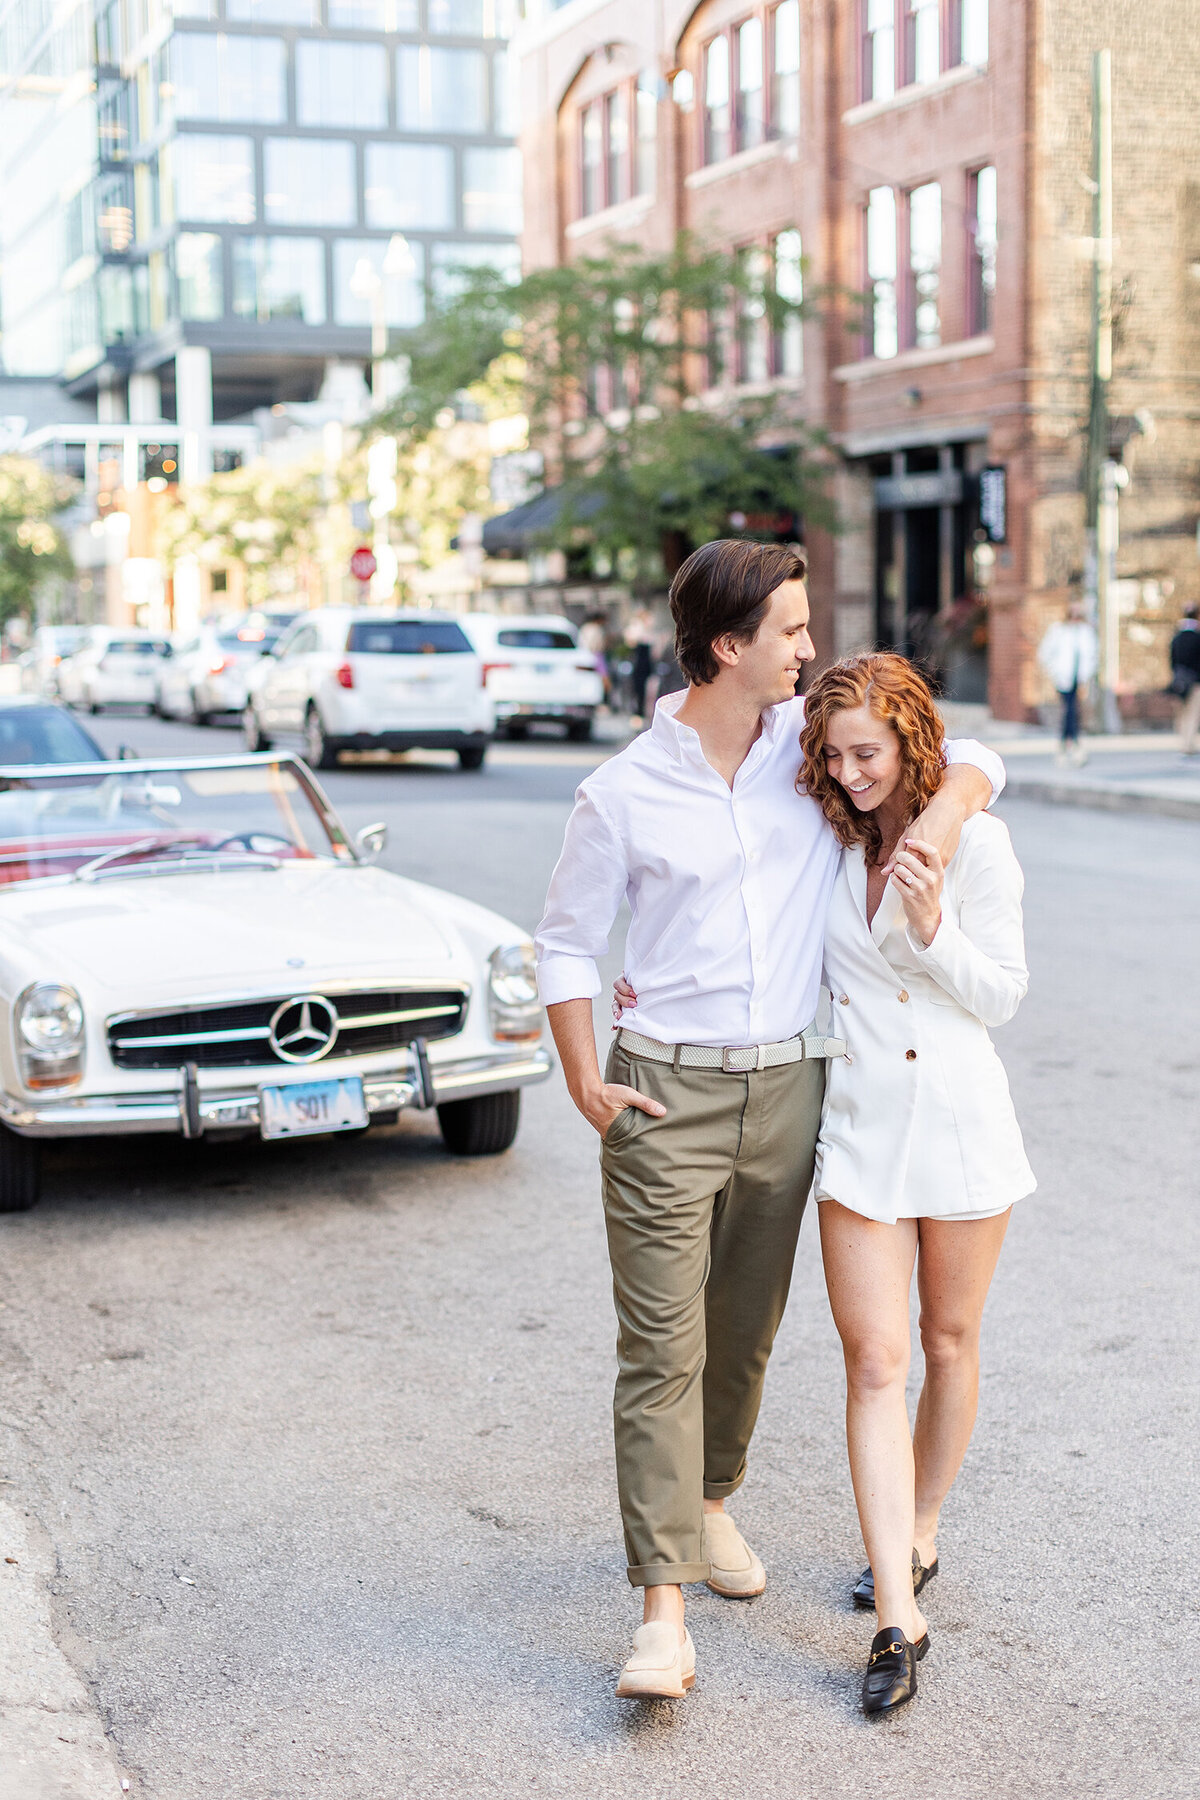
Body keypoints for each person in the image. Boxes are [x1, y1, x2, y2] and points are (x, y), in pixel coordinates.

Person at [534, 539, 1004, 1701]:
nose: (809, 647)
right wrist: (586, 1078)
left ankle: (708, 1505)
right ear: (728, 646)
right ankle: (660, 1613)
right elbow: (564, 942)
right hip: (663, 1093)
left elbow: (967, 754)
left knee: (743, 1334)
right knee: (660, 1350)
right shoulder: (622, 791)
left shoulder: (807, 758)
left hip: (794, 1092)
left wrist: (941, 825)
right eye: (792, 632)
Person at [798, 652, 1034, 1714]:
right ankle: (899, 1612)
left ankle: (923, 1524)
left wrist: (935, 928)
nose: (849, 773)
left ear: (909, 745)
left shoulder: (974, 843)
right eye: (834, 754)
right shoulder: (821, 843)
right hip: (857, 1135)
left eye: (867, 754)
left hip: (960, 1121)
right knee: (873, 1364)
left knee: (947, 1343)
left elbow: (1003, 996)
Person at [1037, 600, 1098, 766]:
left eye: (1079, 614)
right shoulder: (1059, 630)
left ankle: (1067, 742)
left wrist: (1086, 675)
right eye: (1073, 614)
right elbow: (1045, 653)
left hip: (1079, 678)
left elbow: (1092, 655)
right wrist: (1054, 671)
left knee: (1073, 709)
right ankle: (1072, 741)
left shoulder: (1085, 632)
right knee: (1070, 709)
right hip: (1063, 677)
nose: (1075, 618)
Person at [1169, 604, 1200, 756]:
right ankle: (1189, 744)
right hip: (1195, 682)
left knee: (1182, 713)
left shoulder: (1176, 638)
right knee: (1193, 714)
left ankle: (1183, 742)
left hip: (1179, 681)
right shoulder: (1197, 637)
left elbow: (1172, 661)